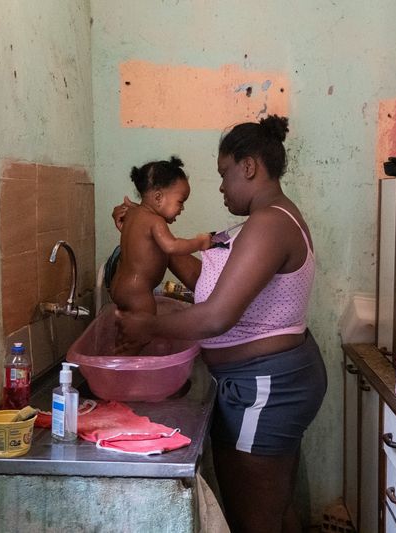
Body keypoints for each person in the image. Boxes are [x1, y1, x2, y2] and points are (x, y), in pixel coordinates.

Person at [112, 116, 326, 532]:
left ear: (249, 167)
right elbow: (206, 283)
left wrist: (146, 327)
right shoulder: (264, 221)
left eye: (224, 174)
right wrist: (147, 232)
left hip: (265, 387)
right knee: (274, 508)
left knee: (253, 520)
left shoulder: (270, 223)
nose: (223, 187)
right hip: (265, 382)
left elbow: (216, 316)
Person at [109, 156, 211, 347]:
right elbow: (171, 246)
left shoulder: (133, 213)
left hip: (119, 286)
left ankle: (115, 362)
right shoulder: (155, 221)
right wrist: (199, 242)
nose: (182, 209)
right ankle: (123, 370)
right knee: (141, 336)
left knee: (125, 337)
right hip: (138, 292)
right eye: (180, 202)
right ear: (158, 197)